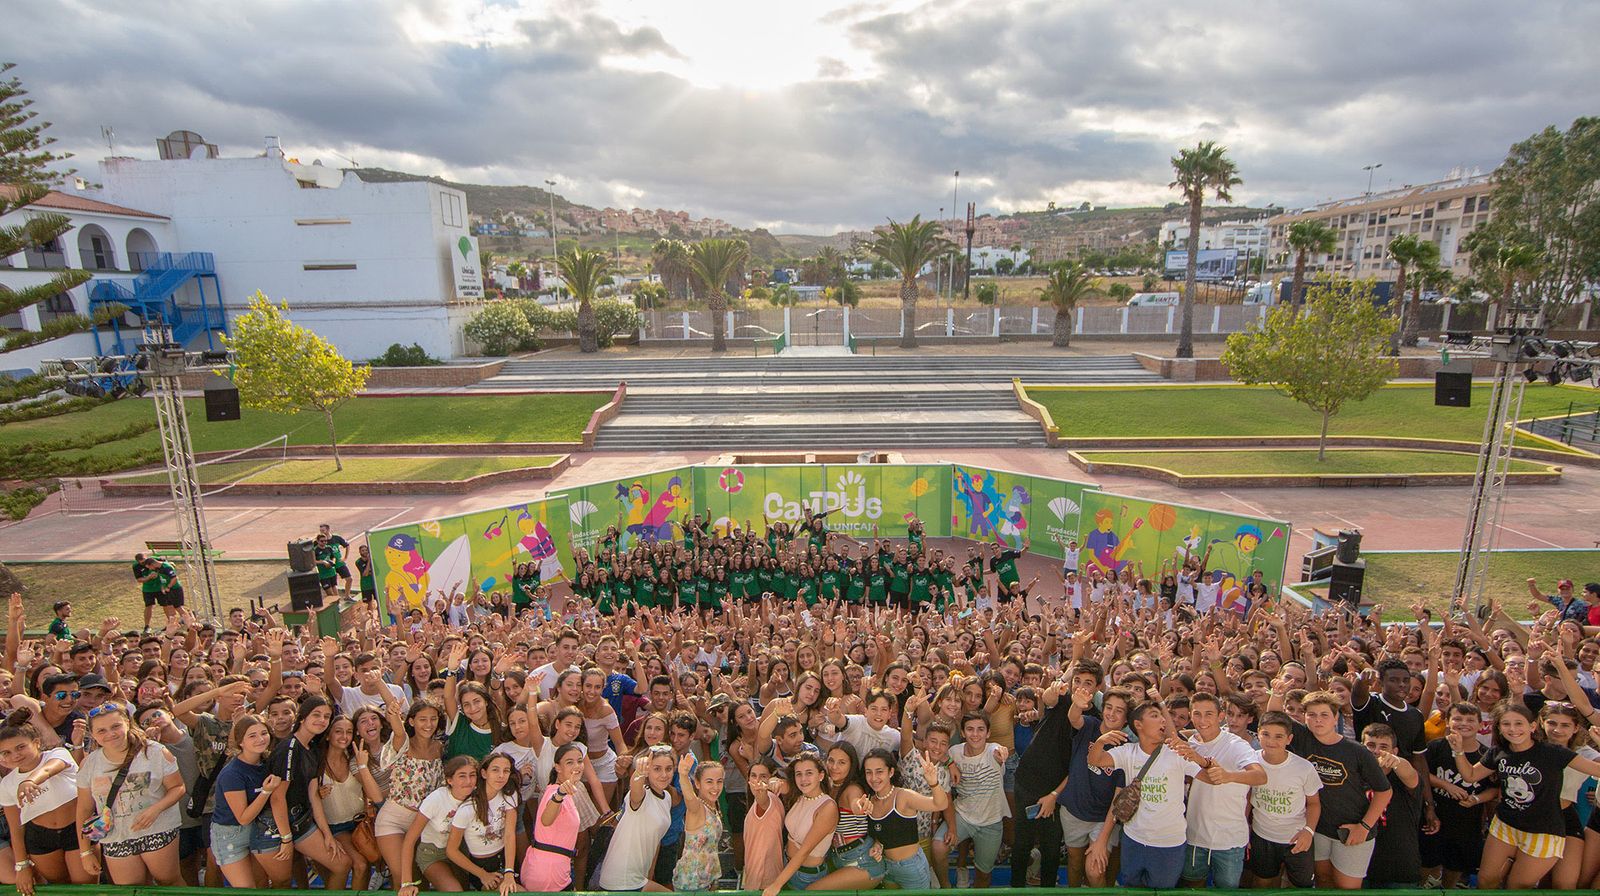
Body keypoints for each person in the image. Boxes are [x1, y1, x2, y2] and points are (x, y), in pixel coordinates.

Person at [1449, 702, 1600, 888]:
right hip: (1505, 825)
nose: (1513, 729)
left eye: (1519, 723)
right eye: (1506, 724)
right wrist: (1458, 751)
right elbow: (1470, 775)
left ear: (1533, 726)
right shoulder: (1498, 752)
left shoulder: (1554, 753)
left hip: (1543, 831)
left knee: (1517, 887)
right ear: (1499, 727)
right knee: (1486, 881)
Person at [1086, 701, 1199, 889]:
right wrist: (1101, 742)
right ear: (1138, 724)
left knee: (1162, 890)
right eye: (1155, 715)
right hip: (1133, 840)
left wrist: (1202, 759)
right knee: (1132, 888)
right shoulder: (1127, 752)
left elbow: (1210, 777)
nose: (1163, 719)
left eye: (1163, 716)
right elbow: (1095, 760)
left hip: (1169, 844)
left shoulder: (1177, 753)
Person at [74, 702, 186, 885]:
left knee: (169, 882)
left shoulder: (155, 751)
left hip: (157, 828)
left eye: (115, 726)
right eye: (101, 731)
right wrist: (85, 852)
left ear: (127, 723)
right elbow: (84, 809)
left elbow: (178, 787)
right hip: (116, 836)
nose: (110, 734)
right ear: (93, 734)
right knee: (130, 890)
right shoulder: (89, 765)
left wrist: (156, 809)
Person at [1176, 691, 1266, 887]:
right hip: (1194, 836)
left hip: (1229, 841)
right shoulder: (1190, 745)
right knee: (1192, 888)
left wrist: (1229, 776)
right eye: (1197, 714)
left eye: (1209, 714)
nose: (1202, 720)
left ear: (1220, 716)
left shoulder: (1237, 745)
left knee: (1226, 891)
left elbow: (1260, 776)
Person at [0, 708, 92, 890]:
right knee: (59, 889)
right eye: (6, 753)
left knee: (86, 888)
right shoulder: (7, 784)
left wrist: (30, 781)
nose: (15, 755)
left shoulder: (58, 754)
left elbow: (49, 769)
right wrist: (22, 866)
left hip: (77, 829)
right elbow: (16, 828)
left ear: (36, 742)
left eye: (20, 747)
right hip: (40, 839)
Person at [268, 695, 352, 889]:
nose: (322, 720)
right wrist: (286, 838)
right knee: (280, 881)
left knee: (341, 864)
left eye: (326, 716)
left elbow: (313, 796)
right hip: (283, 824)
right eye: (316, 715)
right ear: (302, 717)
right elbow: (277, 797)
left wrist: (327, 835)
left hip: (303, 819)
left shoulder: (312, 747)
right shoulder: (289, 748)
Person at [1245, 711, 1321, 888]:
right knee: (1262, 883)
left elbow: (1314, 803)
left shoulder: (1303, 767)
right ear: (1258, 733)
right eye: (1266, 734)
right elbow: (1247, 797)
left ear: (1289, 738)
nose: (1271, 741)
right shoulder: (1250, 761)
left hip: (1296, 838)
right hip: (1262, 836)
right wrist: (1244, 826)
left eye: (1279, 736)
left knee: (1301, 886)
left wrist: (1308, 831)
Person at [209, 714, 287, 887]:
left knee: (262, 884)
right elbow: (243, 817)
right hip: (230, 835)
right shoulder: (232, 774)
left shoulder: (266, 762)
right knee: (246, 890)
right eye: (252, 736)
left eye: (264, 733)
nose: (260, 739)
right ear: (240, 742)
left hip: (257, 831)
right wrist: (266, 792)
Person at [862, 747, 947, 889]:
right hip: (886, 867)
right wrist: (877, 844)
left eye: (879, 771)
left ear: (891, 772)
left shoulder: (904, 796)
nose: (874, 778)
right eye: (868, 772)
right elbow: (881, 833)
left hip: (911, 868)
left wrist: (933, 782)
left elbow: (941, 804)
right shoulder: (869, 800)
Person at [597, 745, 677, 893]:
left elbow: (656, 840)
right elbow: (635, 789)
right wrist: (639, 773)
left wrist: (649, 875)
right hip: (621, 879)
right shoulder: (641, 794)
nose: (664, 774)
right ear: (648, 770)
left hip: (639, 878)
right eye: (657, 769)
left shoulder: (667, 798)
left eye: (669, 768)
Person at [397, 756, 480, 895]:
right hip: (432, 854)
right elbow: (409, 840)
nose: (468, 781)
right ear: (449, 780)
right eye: (462, 776)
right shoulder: (436, 799)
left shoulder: (476, 798)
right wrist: (406, 883)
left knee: (466, 891)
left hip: (460, 853)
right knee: (455, 891)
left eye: (472, 775)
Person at [446, 753, 520, 896]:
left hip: (506, 858)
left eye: (506, 771)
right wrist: (482, 874)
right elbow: (451, 850)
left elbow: (509, 834)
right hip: (482, 867)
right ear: (484, 773)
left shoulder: (509, 794)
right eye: (495, 770)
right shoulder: (467, 809)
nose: (501, 775)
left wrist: (509, 871)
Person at [949, 712, 1008, 888]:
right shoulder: (954, 752)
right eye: (970, 729)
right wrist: (949, 763)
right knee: (938, 847)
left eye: (981, 729)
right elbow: (942, 755)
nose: (975, 734)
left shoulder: (994, 750)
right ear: (963, 732)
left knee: (984, 873)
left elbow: (999, 752)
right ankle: (943, 887)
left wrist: (1001, 756)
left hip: (991, 821)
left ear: (988, 733)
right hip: (963, 816)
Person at [522, 743, 584, 892]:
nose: (577, 766)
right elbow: (546, 820)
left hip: (555, 872)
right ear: (558, 767)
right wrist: (559, 795)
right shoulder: (555, 792)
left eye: (580, 761)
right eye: (570, 762)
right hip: (547, 875)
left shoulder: (564, 791)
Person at [671, 750, 724, 891]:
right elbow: (689, 797)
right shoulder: (697, 808)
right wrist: (683, 775)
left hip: (706, 882)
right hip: (690, 884)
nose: (715, 787)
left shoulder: (713, 806)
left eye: (719, 781)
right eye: (709, 782)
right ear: (698, 784)